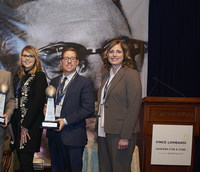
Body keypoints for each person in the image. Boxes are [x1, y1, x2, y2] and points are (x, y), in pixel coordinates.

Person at [45, 47, 95, 172]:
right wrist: (46, 111)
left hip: (74, 137)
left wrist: (65, 120)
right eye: (66, 58)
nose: (69, 61)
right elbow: (51, 104)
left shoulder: (85, 83)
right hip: (54, 135)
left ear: (77, 62)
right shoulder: (54, 81)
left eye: (72, 58)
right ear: (61, 62)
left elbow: (88, 109)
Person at [97, 39, 141, 172]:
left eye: (118, 51)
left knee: (119, 169)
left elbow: (134, 107)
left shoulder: (131, 74)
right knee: (105, 169)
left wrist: (125, 136)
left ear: (124, 55)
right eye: (111, 51)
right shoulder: (106, 76)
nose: (114, 54)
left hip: (121, 133)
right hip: (103, 130)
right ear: (106, 54)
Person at [11, 45, 47, 171]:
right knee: (22, 162)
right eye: (24, 55)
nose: (27, 59)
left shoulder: (39, 76)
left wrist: (25, 126)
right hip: (16, 123)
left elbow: (37, 103)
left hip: (30, 126)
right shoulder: (18, 76)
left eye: (30, 56)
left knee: (26, 163)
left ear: (36, 58)